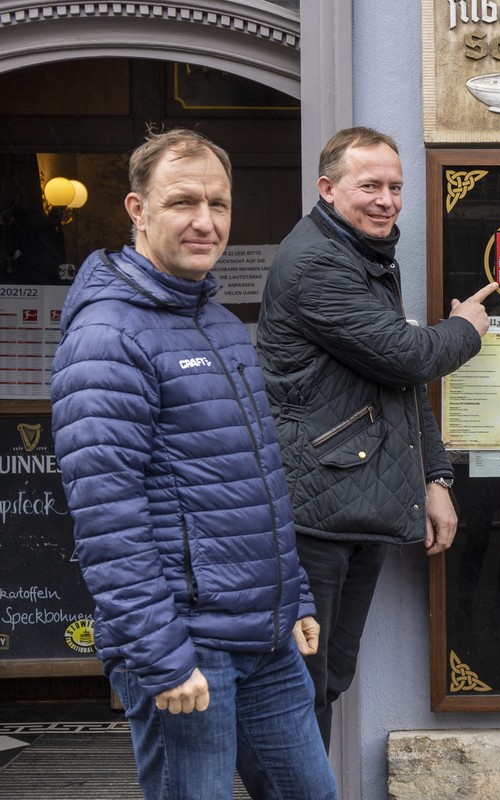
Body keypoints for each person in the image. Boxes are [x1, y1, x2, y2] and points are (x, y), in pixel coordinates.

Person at [50, 129, 336, 800]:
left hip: (263, 635)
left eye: (219, 204)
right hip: (183, 643)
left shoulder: (217, 320)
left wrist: (289, 593)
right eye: (182, 202)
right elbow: (107, 518)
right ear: (138, 209)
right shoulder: (108, 335)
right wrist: (159, 655)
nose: (206, 222)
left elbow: (256, 476)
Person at [256, 126, 496, 748]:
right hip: (313, 517)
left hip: (352, 506)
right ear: (328, 189)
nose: (387, 200)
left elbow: (397, 385)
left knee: (329, 677)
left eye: (394, 186)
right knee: (300, 685)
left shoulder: (365, 255)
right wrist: (466, 328)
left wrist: (435, 479)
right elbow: (410, 357)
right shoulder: (315, 263)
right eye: (370, 186)